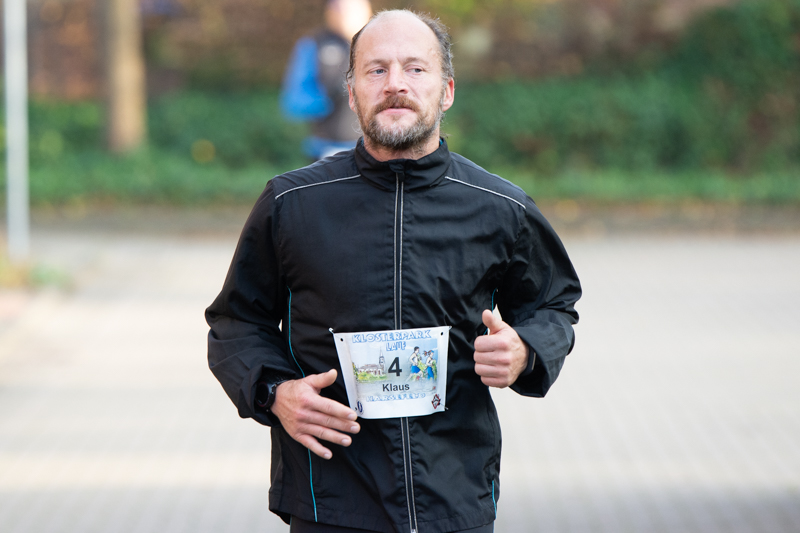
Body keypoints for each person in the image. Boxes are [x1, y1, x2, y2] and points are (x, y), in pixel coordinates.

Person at [207, 9, 581, 533]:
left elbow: (553, 305)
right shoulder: (292, 203)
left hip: (455, 496)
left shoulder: (501, 208)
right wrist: (274, 392)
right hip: (330, 498)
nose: (395, 84)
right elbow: (236, 322)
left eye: (415, 68)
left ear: (446, 91)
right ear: (351, 92)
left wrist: (526, 349)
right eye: (376, 70)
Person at [280, 0, 372, 160]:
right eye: (342, 8)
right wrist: (328, 99)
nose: (348, 13)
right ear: (331, 11)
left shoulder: (381, 46)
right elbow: (294, 101)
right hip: (327, 148)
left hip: (374, 149)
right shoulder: (314, 44)